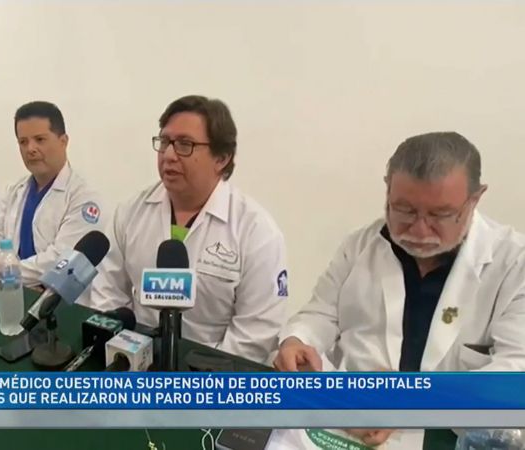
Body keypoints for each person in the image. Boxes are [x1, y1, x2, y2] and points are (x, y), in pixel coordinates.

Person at [275, 132, 525, 446]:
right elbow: (321, 313)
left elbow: (515, 371)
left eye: (439, 215)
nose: (419, 229)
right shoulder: (361, 245)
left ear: (475, 199)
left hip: (448, 433)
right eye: (404, 210)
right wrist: (298, 340)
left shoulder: (514, 264)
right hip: (345, 425)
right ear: (387, 189)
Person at [84, 95, 288, 363]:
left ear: (221, 158)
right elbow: (108, 292)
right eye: (164, 142)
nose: (169, 155)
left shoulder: (257, 232)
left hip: (213, 374)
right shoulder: (131, 212)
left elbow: (255, 333)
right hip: (135, 361)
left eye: (184, 145)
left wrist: (196, 374)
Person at [0, 101, 103, 286]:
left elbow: (61, 260)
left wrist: (4, 271)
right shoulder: (13, 191)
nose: (30, 149)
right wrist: (2, 271)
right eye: (23, 142)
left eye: (40, 140)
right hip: (10, 290)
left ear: (63, 141)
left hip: (58, 297)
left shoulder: (84, 197)